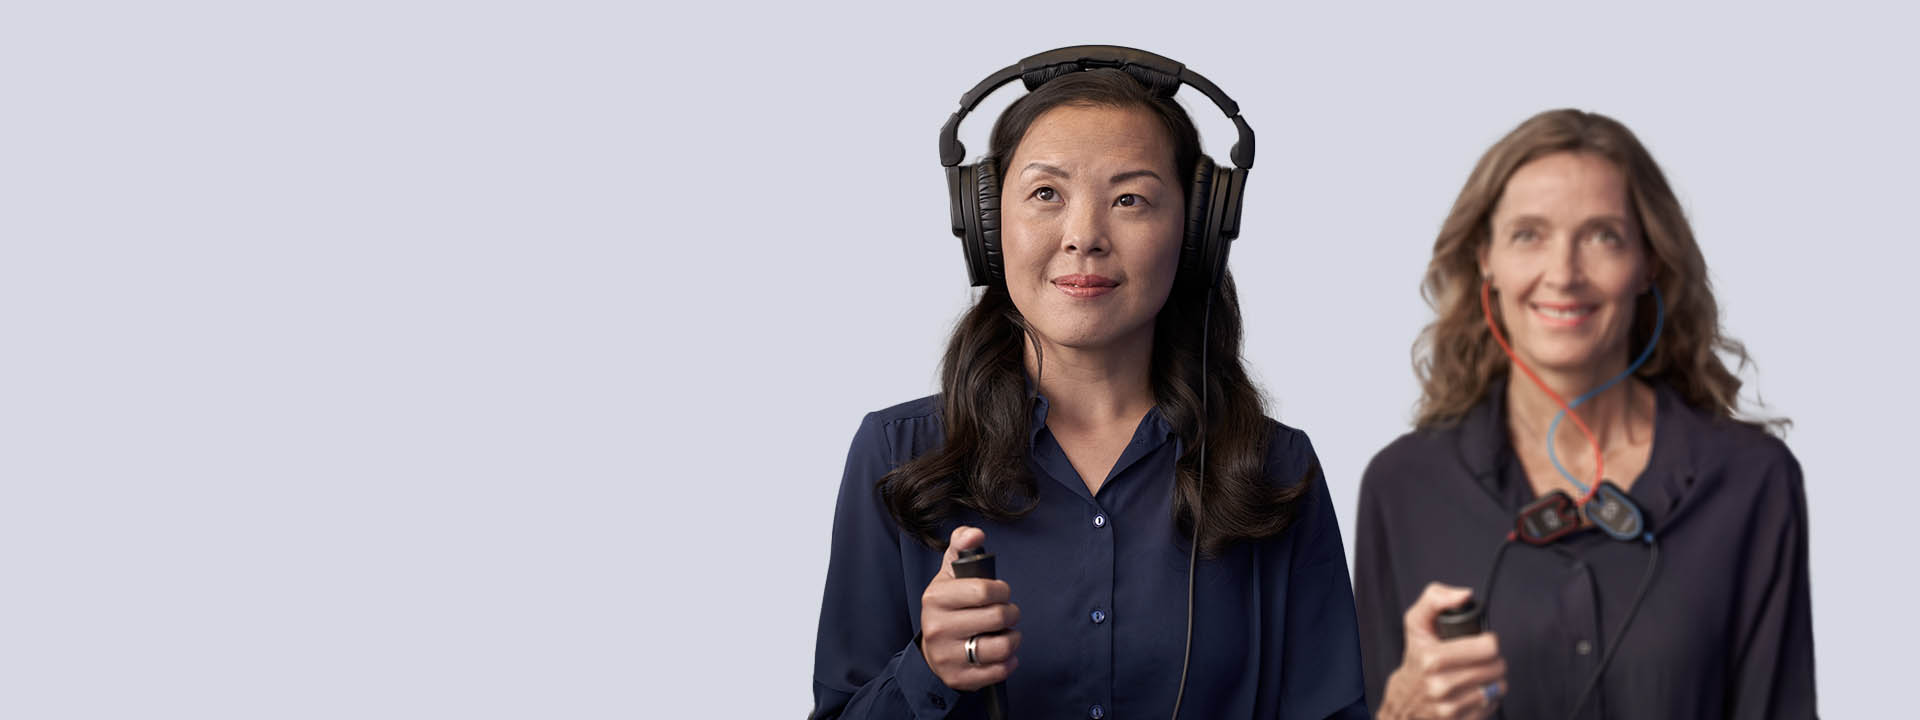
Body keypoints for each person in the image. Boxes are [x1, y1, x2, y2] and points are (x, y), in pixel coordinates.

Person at [811, 47, 1367, 719]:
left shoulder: (1274, 468)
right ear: (988, 227)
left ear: (1193, 234)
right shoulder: (897, 453)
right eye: (1046, 194)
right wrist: (926, 671)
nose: (1084, 236)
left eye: (1130, 198)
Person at [1353, 109, 1815, 719]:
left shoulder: (1752, 481)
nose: (1565, 274)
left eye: (1603, 235)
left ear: (1649, 261)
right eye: (1529, 235)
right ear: (1485, 258)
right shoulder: (1404, 486)